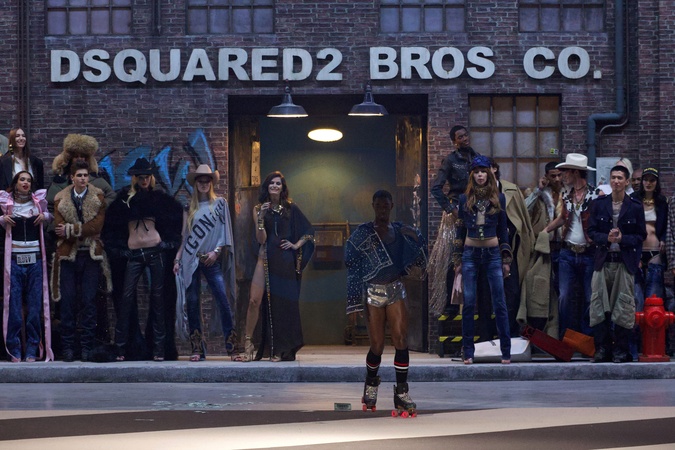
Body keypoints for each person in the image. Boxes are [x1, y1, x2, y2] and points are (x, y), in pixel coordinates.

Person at [345, 190, 426, 414]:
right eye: (378, 205)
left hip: (395, 288)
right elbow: (350, 261)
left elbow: (420, 249)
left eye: (385, 205)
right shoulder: (364, 233)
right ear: (373, 206)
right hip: (373, 291)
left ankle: (401, 392)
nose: (382, 209)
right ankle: (371, 385)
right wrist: (353, 301)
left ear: (391, 206)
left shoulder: (400, 230)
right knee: (377, 345)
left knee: (400, 339)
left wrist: (415, 238)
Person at [101, 158, 182, 361]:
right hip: (134, 254)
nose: (144, 180)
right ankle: (121, 348)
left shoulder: (159, 200)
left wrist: (167, 244)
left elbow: (175, 222)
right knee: (126, 297)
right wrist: (121, 251)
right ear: (135, 178)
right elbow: (111, 229)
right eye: (140, 177)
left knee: (158, 299)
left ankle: (159, 350)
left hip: (155, 252)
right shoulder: (124, 201)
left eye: (147, 177)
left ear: (151, 178)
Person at [47, 133, 116, 349]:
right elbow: (56, 219)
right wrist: (71, 230)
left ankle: (89, 346)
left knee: (90, 300)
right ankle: (68, 348)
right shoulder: (59, 189)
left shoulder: (99, 188)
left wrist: (74, 228)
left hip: (91, 252)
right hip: (67, 252)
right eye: (75, 155)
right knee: (67, 302)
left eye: (83, 156)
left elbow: (100, 220)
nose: (83, 177)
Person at [236, 171, 314, 362]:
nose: (275, 186)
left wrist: (295, 245)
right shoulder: (258, 208)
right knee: (254, 300)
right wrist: (261, 218)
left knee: (281, 304)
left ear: (282, 187)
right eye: (272, 183)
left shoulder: (291, 208)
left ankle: (280, 349)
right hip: (265, 257)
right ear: (267, 186)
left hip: (284, 260)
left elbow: (308, 231)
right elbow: (261, 239)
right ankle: (248, 343)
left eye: (278, 183)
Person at [452, 155, 513, 364]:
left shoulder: (499, 198)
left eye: (483, 172)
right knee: (469, 303)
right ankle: (468, 352)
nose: (480, 176)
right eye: (476, 172)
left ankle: (506, 351)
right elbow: (459, 230)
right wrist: (457, 260)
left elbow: (503, 231)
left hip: (493, 253)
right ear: (472, 175)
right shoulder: (464, 199)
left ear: (489, 174)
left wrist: (506, 259)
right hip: (470, 253)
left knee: (499, 302)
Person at [174, 165, 236, 361]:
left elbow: (224, 233)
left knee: (222, 299)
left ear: (211, 183)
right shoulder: (188, 208)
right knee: (192, 303)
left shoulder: (220, 204)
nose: (203, 184)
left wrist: (216, 252)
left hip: (211, 258)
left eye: (207, 181)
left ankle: (233, 348)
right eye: (200, 181)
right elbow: (185, 238)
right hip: (190, 259)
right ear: (195, 184)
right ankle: (197, 349)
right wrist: (177, 259)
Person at [587, 165, 646, 363]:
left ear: (627, 182)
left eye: (620, 178)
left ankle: (620, 350)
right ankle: (602, 349)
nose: (616, 181)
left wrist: (622, 239)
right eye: (613, 177)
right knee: (598, 306)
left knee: (623, 307)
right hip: (602, 262)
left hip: (624, 262)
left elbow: (640, 236)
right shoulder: (599, 204)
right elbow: (591, 232)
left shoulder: (635, 206)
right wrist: (606, 238)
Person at [543, 153, 602, 339]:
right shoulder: (566, 195)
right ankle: (566, 338)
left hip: (589, 252)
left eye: (565, 172)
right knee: (564, 296)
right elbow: (563, 218)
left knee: (590, 297)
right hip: (567, 252)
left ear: (575, 172)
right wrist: (545, 231)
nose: (562, 176)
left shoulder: (596, 195)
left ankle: (588, 339)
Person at [0, 171, 53, 362]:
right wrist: (1, 220)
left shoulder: (38, 202)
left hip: (35, 259)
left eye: (28, 180)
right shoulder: (6, 203)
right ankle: (14, 348)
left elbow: (51, 216)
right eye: (22, 179)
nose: (25, 183)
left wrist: (45, 216)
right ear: (15, 183)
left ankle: (32, 349)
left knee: (34, 306)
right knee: (13, 306)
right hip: (14, 260)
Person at [488, 158, 534, 336]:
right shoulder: (475, 193)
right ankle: (490, 335)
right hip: (486, 249)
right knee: (488, 294)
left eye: (486, 169)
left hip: (511, 249)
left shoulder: (511, 190)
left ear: (494, 169)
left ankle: (510, 334)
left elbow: (522, 219)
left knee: (513, 292)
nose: (482, 174)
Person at [523, 161, 563, 331]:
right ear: (546, 176)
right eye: (553, 176)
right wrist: (538, 190)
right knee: (540, 292)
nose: (557, 179)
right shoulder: (538, 193)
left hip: (563, 247)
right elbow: (524, 210)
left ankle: (557, 332)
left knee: (562, 292)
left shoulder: (568, 193)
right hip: (542, 249)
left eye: (559, 175)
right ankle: (538, 332)